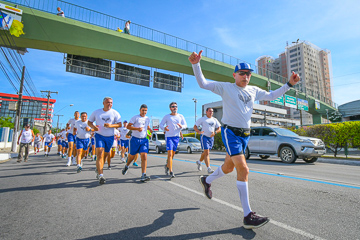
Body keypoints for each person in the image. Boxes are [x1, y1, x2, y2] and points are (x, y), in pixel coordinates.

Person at [189, 50, 300, 229]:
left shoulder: (254, 90)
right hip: (230, 132)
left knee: (228, 167)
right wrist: (196, 64)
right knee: (244, 169)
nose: (246, 77)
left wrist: (289, 84)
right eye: (242, 73)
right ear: (234, 75)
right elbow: (203, 83)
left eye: (248, 74)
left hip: (245, 134)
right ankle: (248, 215)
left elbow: (271, 96)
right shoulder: (226, 87)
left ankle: (206, 180)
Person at [88, 97, 122, 185]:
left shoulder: (115, 113)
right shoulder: (96, 112)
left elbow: (120, 124)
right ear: (103, 103)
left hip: (110, 137)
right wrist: (94, 127)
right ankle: (101, 175)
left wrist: (110, 126)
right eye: (108, 102)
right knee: (99, 154)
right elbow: (89, 122)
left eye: (111, 102)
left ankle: (98, 168)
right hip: (99, 136)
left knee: (105, 156)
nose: (109, 104)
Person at [122, 104, 153, 182]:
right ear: (140, 110)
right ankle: (126, 166)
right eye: (143, 110)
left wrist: (150, 129)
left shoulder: (147, 118)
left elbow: (147, 126)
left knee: (144, 156)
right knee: (131, 157)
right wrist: (137, 128)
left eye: (145, 110)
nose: (144, 112)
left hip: (144, 140)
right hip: (135, 139)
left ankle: (143, 175)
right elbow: (128, 127)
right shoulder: (135, 117)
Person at [159, 102, 187, 178]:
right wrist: (164, 128)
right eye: (173, 106)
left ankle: (167, 165)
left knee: (173, 155)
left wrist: (182, 126)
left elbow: (185, 125)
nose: (175, 108)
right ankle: (171, 171)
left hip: (176, 137)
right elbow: (161, 125)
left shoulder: (180, 116)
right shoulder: (167, 116)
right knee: (170, 154)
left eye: (176, 106)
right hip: (169, 137)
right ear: (170, 108)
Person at [194, 107, 221, 174]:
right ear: (206, 112)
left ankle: (199, 162)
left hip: (211, 138)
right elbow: (195, 126)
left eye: (212, 111)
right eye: (209, 111)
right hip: (204, 137)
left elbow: (219, 128)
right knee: (207, 152)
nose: (211, 112)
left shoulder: (215, 119)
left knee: (206, 152)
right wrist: (198, 131)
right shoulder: (202, 119)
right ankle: (209, 168)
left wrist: (215, 132)